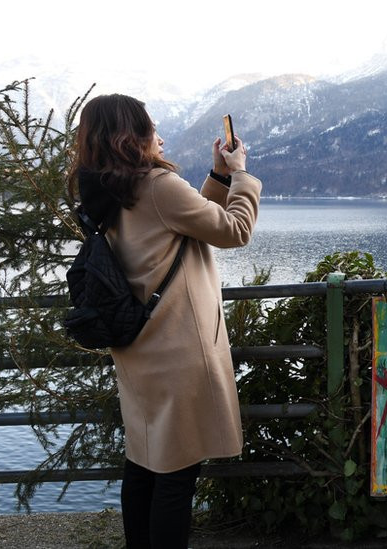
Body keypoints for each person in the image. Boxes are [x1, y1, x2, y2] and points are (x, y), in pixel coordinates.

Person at [67, 94, 261, 548]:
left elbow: (187, 223)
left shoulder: (106, 191)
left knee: (145, 465)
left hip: (139, 349)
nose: (160, 136)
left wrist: (217, 176)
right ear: (130, 136)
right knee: (176, 476)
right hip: (178, 353)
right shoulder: (156, 185)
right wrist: (241, 175)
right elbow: (234, 230)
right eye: (151, 128)